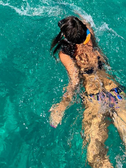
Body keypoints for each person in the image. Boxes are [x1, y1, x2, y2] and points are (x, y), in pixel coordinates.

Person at [49, 15, 126, 168]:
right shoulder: (89, 32)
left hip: (95, 100)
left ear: (65, 37)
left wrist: (61, 106)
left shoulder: (65, 53)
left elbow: (75, 81)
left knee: (95, 157)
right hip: (116, 92)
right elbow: (84, 19)